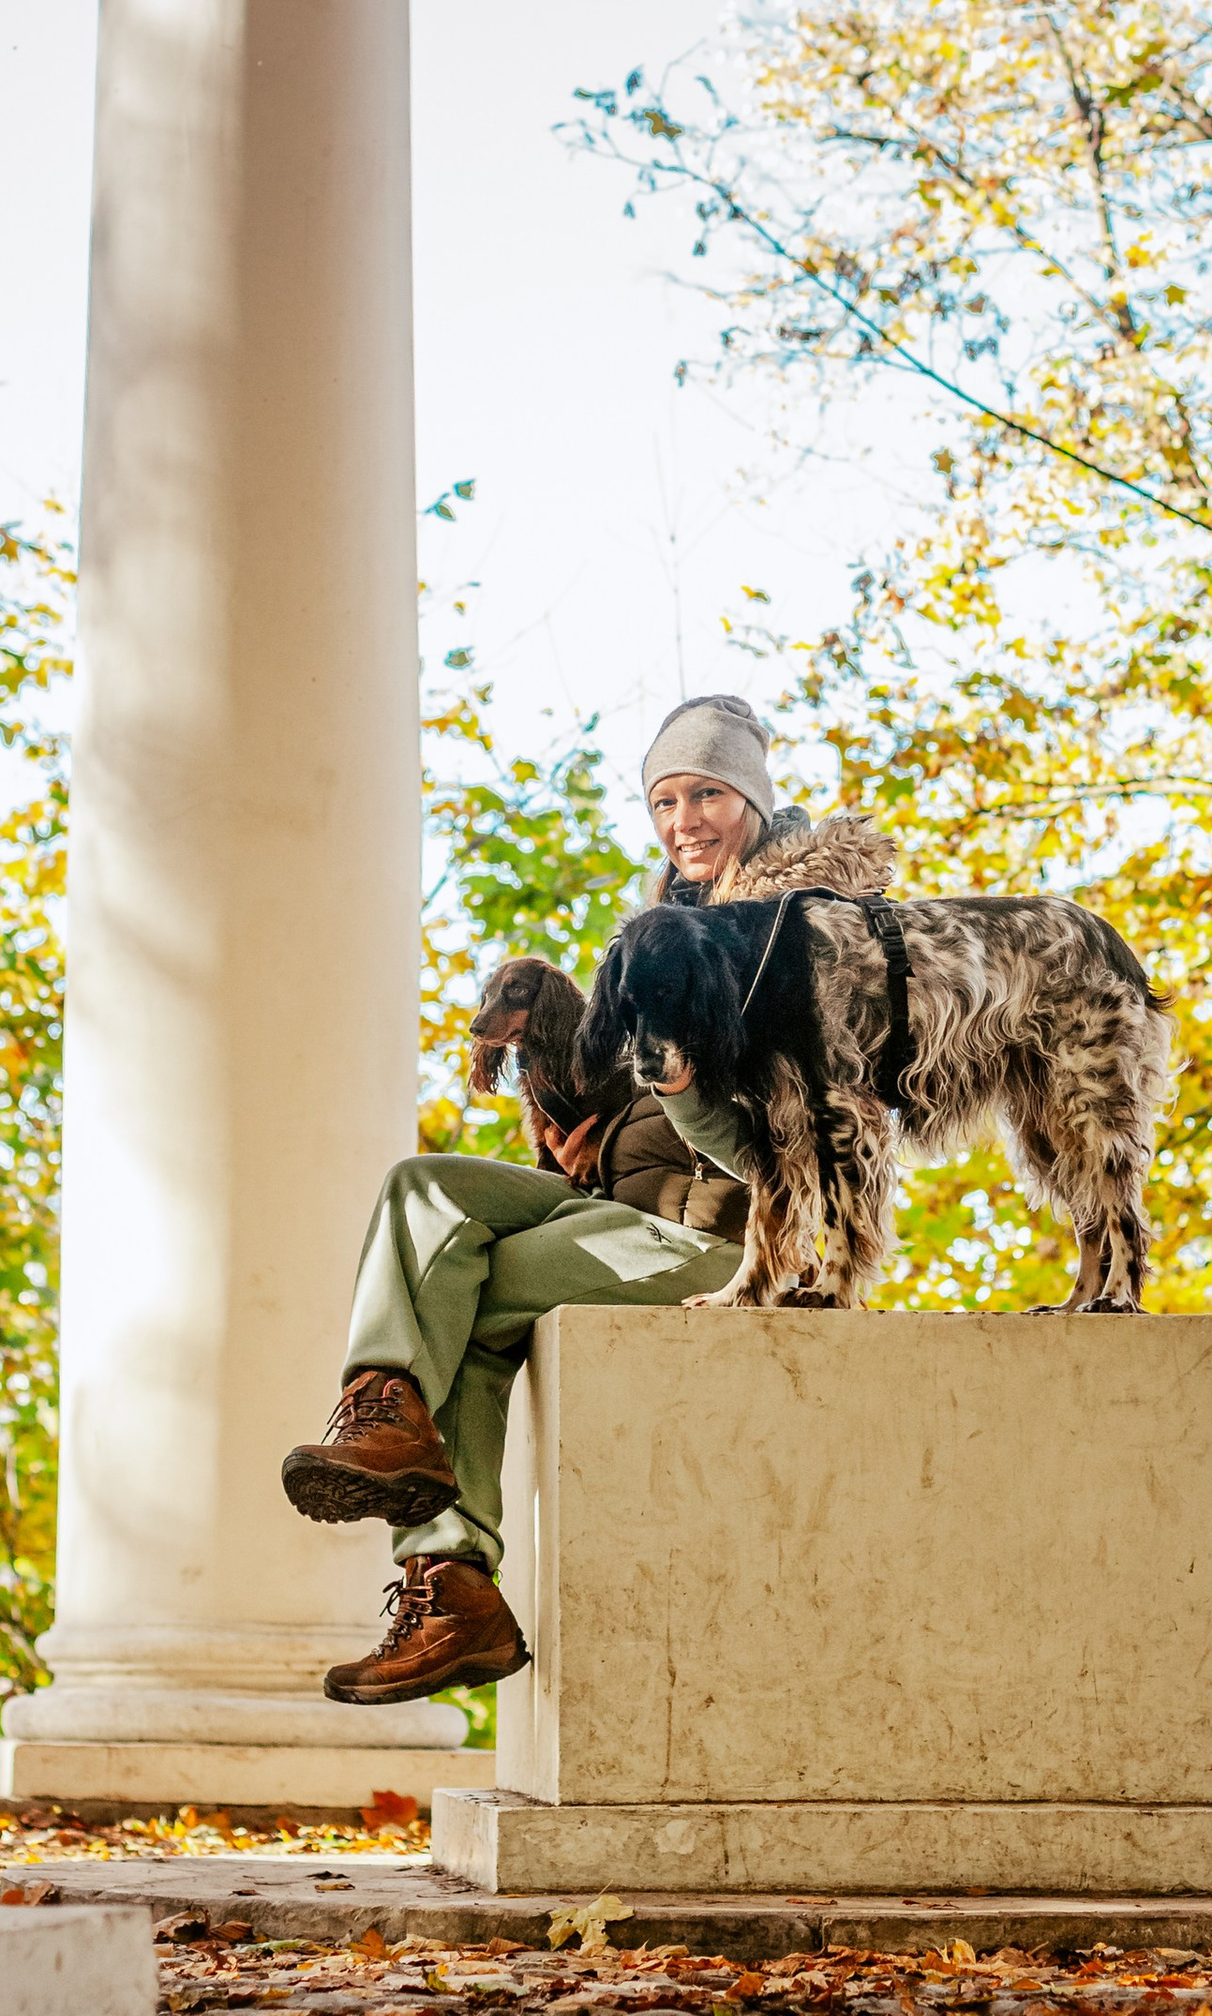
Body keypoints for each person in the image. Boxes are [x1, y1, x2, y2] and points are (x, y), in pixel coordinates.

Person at [279, 692, 897, 1702]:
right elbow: (636, 1099)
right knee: (422, 1190)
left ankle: (448, 1583)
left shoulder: (811, 940)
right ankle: (384, 1414)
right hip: (621, 1210)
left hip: (734, 1249)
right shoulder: (665, 934)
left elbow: (805, 1156)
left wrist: (682, 1091)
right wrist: (574, 1102)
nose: (683, 820)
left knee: (461, 1292)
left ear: (752, 795)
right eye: (663, 800)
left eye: (705, 793)